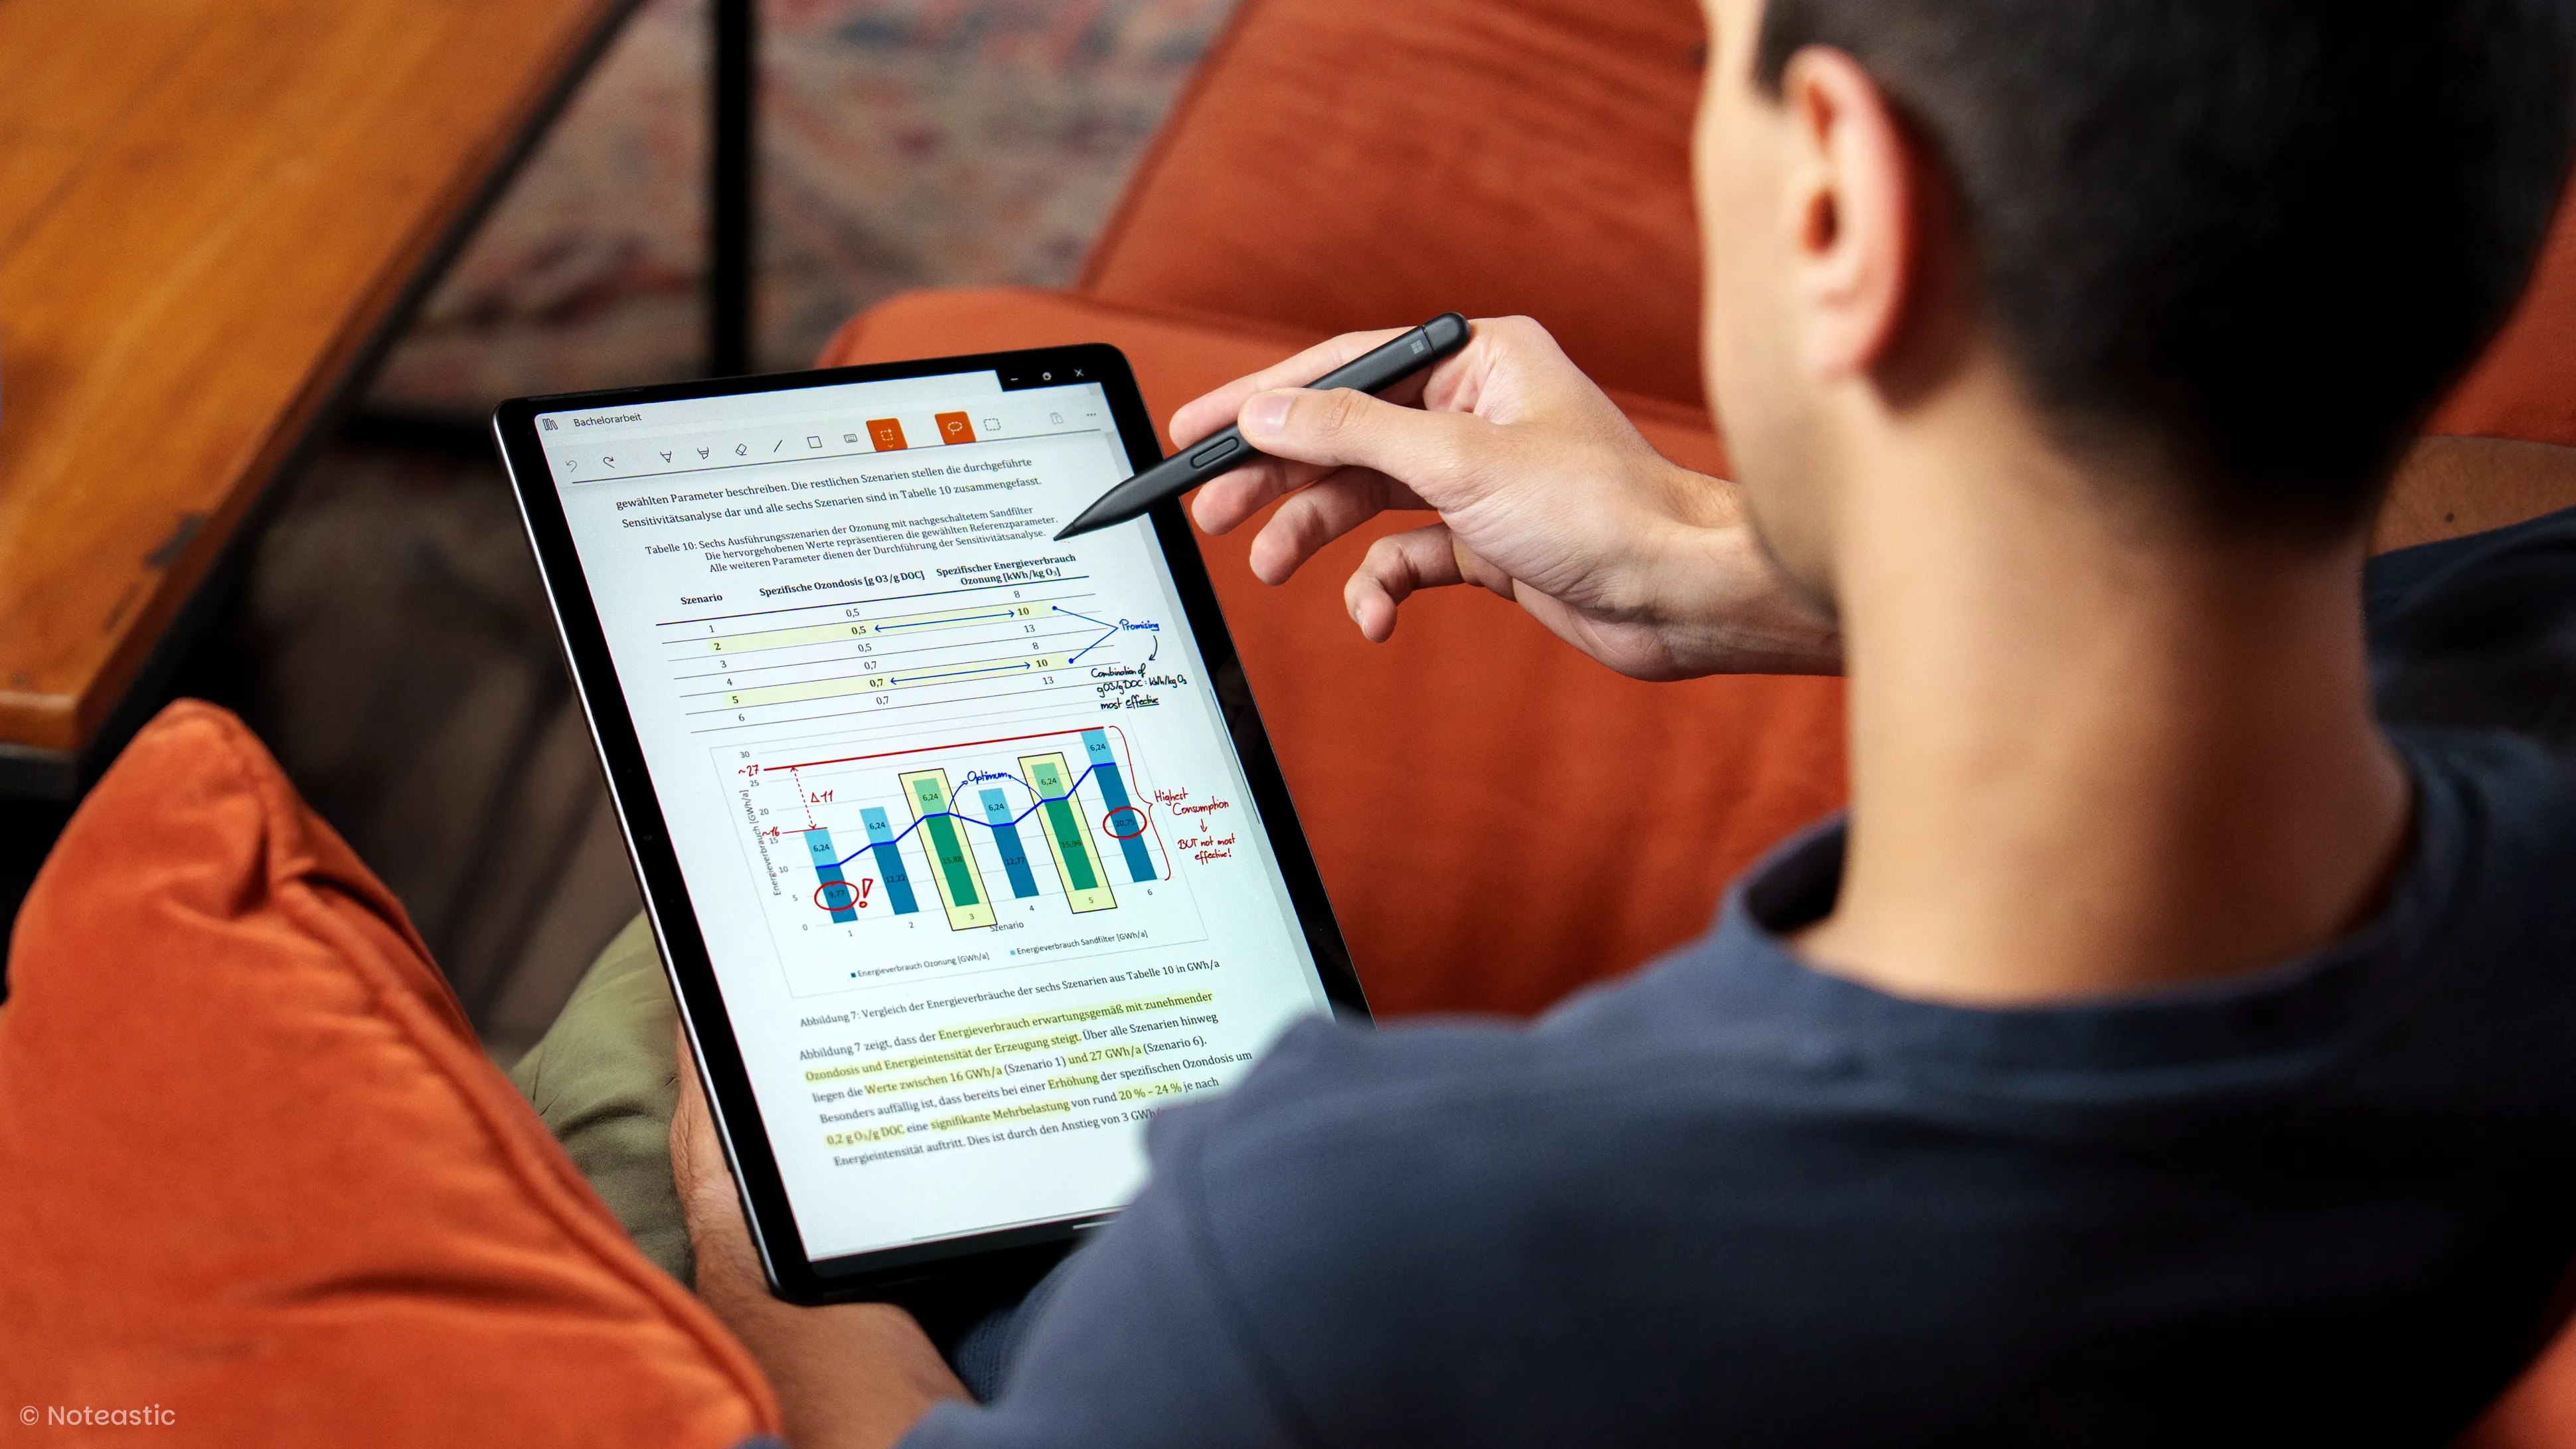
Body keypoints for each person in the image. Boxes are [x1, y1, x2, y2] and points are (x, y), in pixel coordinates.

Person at [663, 0, 2576, 1444]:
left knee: (629, 1023)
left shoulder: (1349, 1245)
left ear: (1835, 193)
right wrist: (1717, 546)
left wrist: (760, 1263)